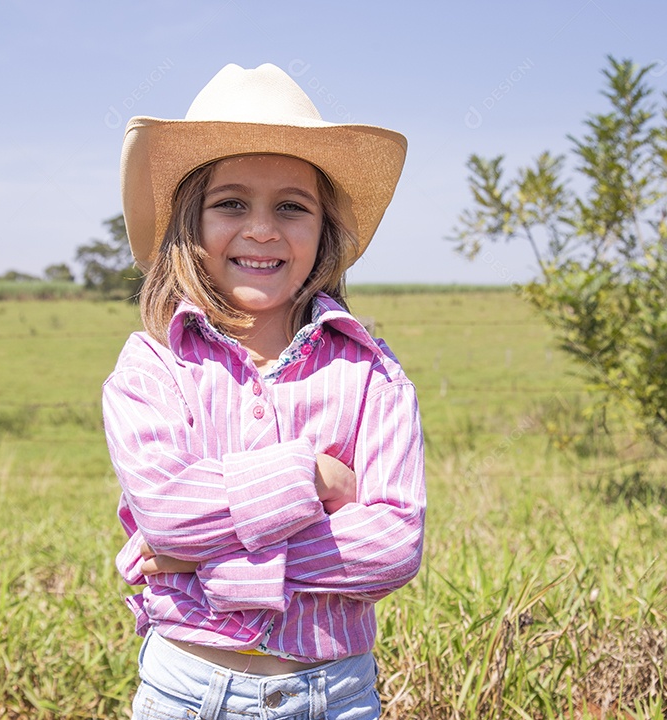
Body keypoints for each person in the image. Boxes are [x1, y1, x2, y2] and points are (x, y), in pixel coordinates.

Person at [103, 62, 426, 720]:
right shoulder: (152, 369)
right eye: (231, 203)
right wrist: (308, 476)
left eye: (291, 206)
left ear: (322, 229)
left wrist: (205, 565)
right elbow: (167, 512)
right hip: (187, 690)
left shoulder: (371, 372)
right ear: (188, 225)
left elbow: (392, 543)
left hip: (334, 694)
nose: (262, 229)